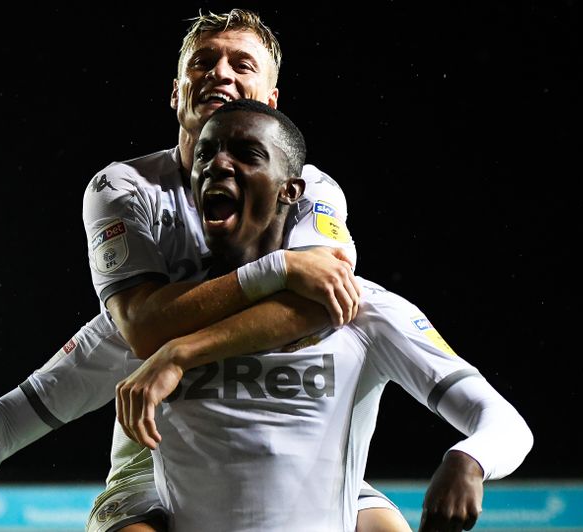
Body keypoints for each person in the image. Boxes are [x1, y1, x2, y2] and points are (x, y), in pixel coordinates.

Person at [0, 9, 409, 532]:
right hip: (158, 457)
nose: (220, 73)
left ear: (270, 102)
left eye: (242, 64)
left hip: (296, 450)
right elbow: (140, 327)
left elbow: (327, 300)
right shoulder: (125, 188)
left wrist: (180, 351)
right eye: (203, 62)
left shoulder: (312, 188)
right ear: (176, 94)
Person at [118, 99, 533, 531]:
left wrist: (468, 460)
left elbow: (506, 425)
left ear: (290, 190)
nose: (217, 165)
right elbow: (64, 388)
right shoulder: (158, 322)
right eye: (205, 154)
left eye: (247, 154)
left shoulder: (364, 310)